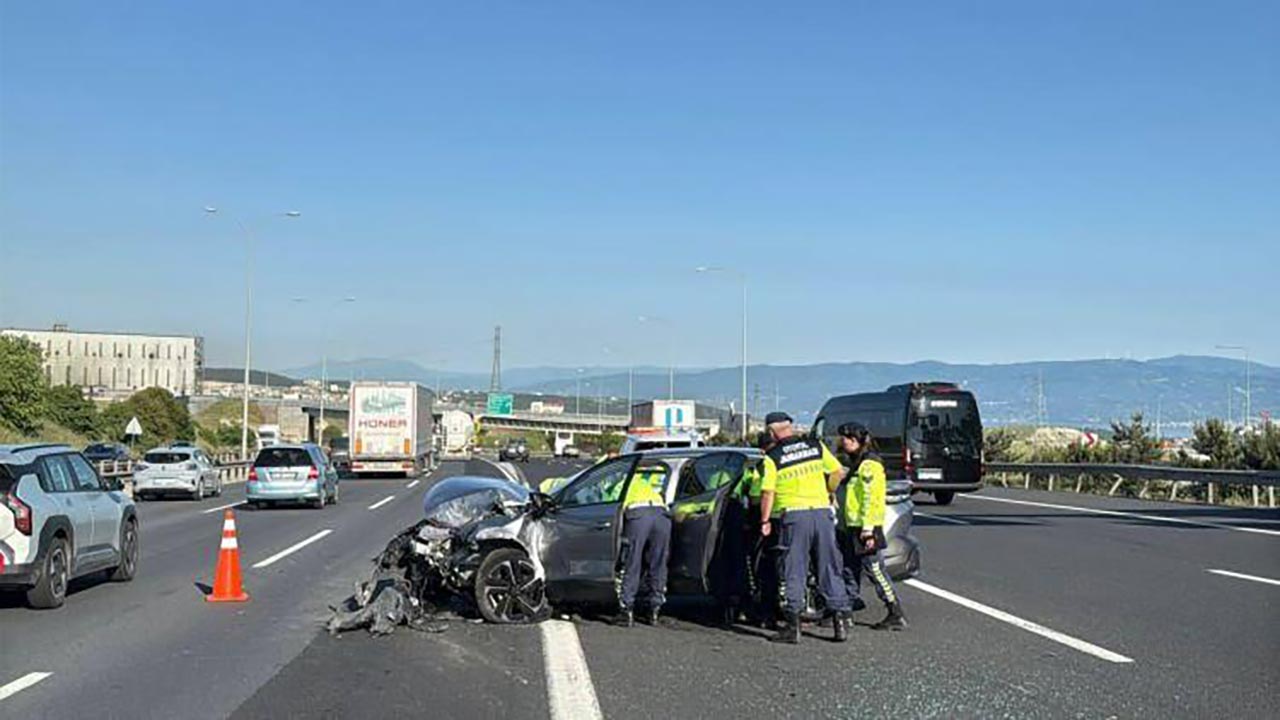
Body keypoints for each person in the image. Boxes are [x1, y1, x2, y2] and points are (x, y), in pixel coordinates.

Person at [759, 412, 852, 643]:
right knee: (829, 565)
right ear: (790, 426)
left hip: (794, 516)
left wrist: (765, 520)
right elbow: (838, 471)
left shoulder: (773, 457)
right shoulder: (815, 446)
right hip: (821, 513)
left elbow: (768, 492)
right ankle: (840, 623)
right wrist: (829, 490)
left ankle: (793, 627)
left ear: (771, 432)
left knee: (794, 568)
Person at [835, 422, 907, 631]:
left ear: (854, 440)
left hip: (866, 528)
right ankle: (847, 608)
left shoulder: (869, 465)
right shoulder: (857, 463)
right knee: (849, 569)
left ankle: (895, 611)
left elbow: (871, 499)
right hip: (852, 525)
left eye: (844, 439)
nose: (841, 442)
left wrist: (868, 529)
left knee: (875, 570)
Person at [614, 463, 672, 628]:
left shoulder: (621, 482)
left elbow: (610, 505)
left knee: (632, 561)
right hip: (661, 515)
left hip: (638, 515)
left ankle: (626, 610)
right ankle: (654, 609)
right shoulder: (647, 482)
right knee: (658, 563)